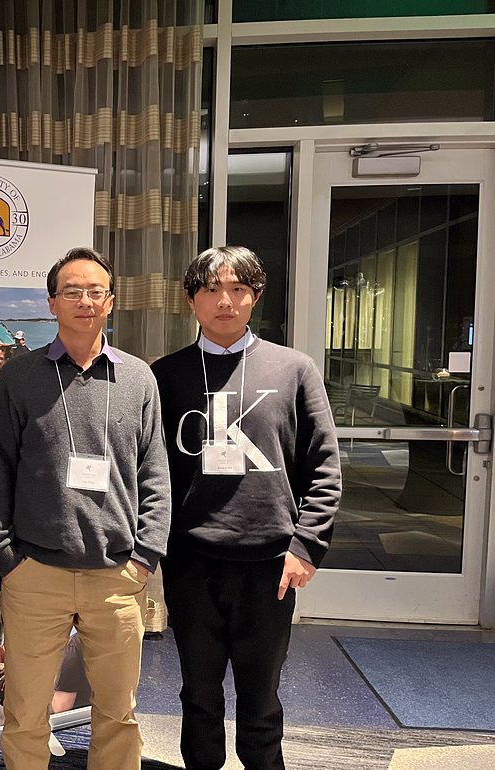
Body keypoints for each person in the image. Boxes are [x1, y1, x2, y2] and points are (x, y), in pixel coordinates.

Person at [150, 246, 342, 770]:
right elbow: (149, 470)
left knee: (261, 700)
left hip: (270, 564)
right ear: (190, 299)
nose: (225, 302)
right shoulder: (164, 375)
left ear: (256, 296)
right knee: (198, 694)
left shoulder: (294, 369)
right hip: (191, 561)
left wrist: (307, 546)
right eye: (211, 289)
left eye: (238, 289)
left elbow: (325, 465)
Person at [0, 246, 172, 770]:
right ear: (51, 303)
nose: (84, 301)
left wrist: (145, 557)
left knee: (117, 713)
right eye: (71, 291)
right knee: (24, 713)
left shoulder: (139, 378)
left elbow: (155, 474)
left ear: (110, 301)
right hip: (34, 574)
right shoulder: (19, 377)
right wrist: (4, 556)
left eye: (95, 291)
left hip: (117, 575)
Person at [51, 631, 91, 714]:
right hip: (112, 716)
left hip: (82, 718)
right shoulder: (117, 639)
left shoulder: (73, 647)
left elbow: (61, 707)